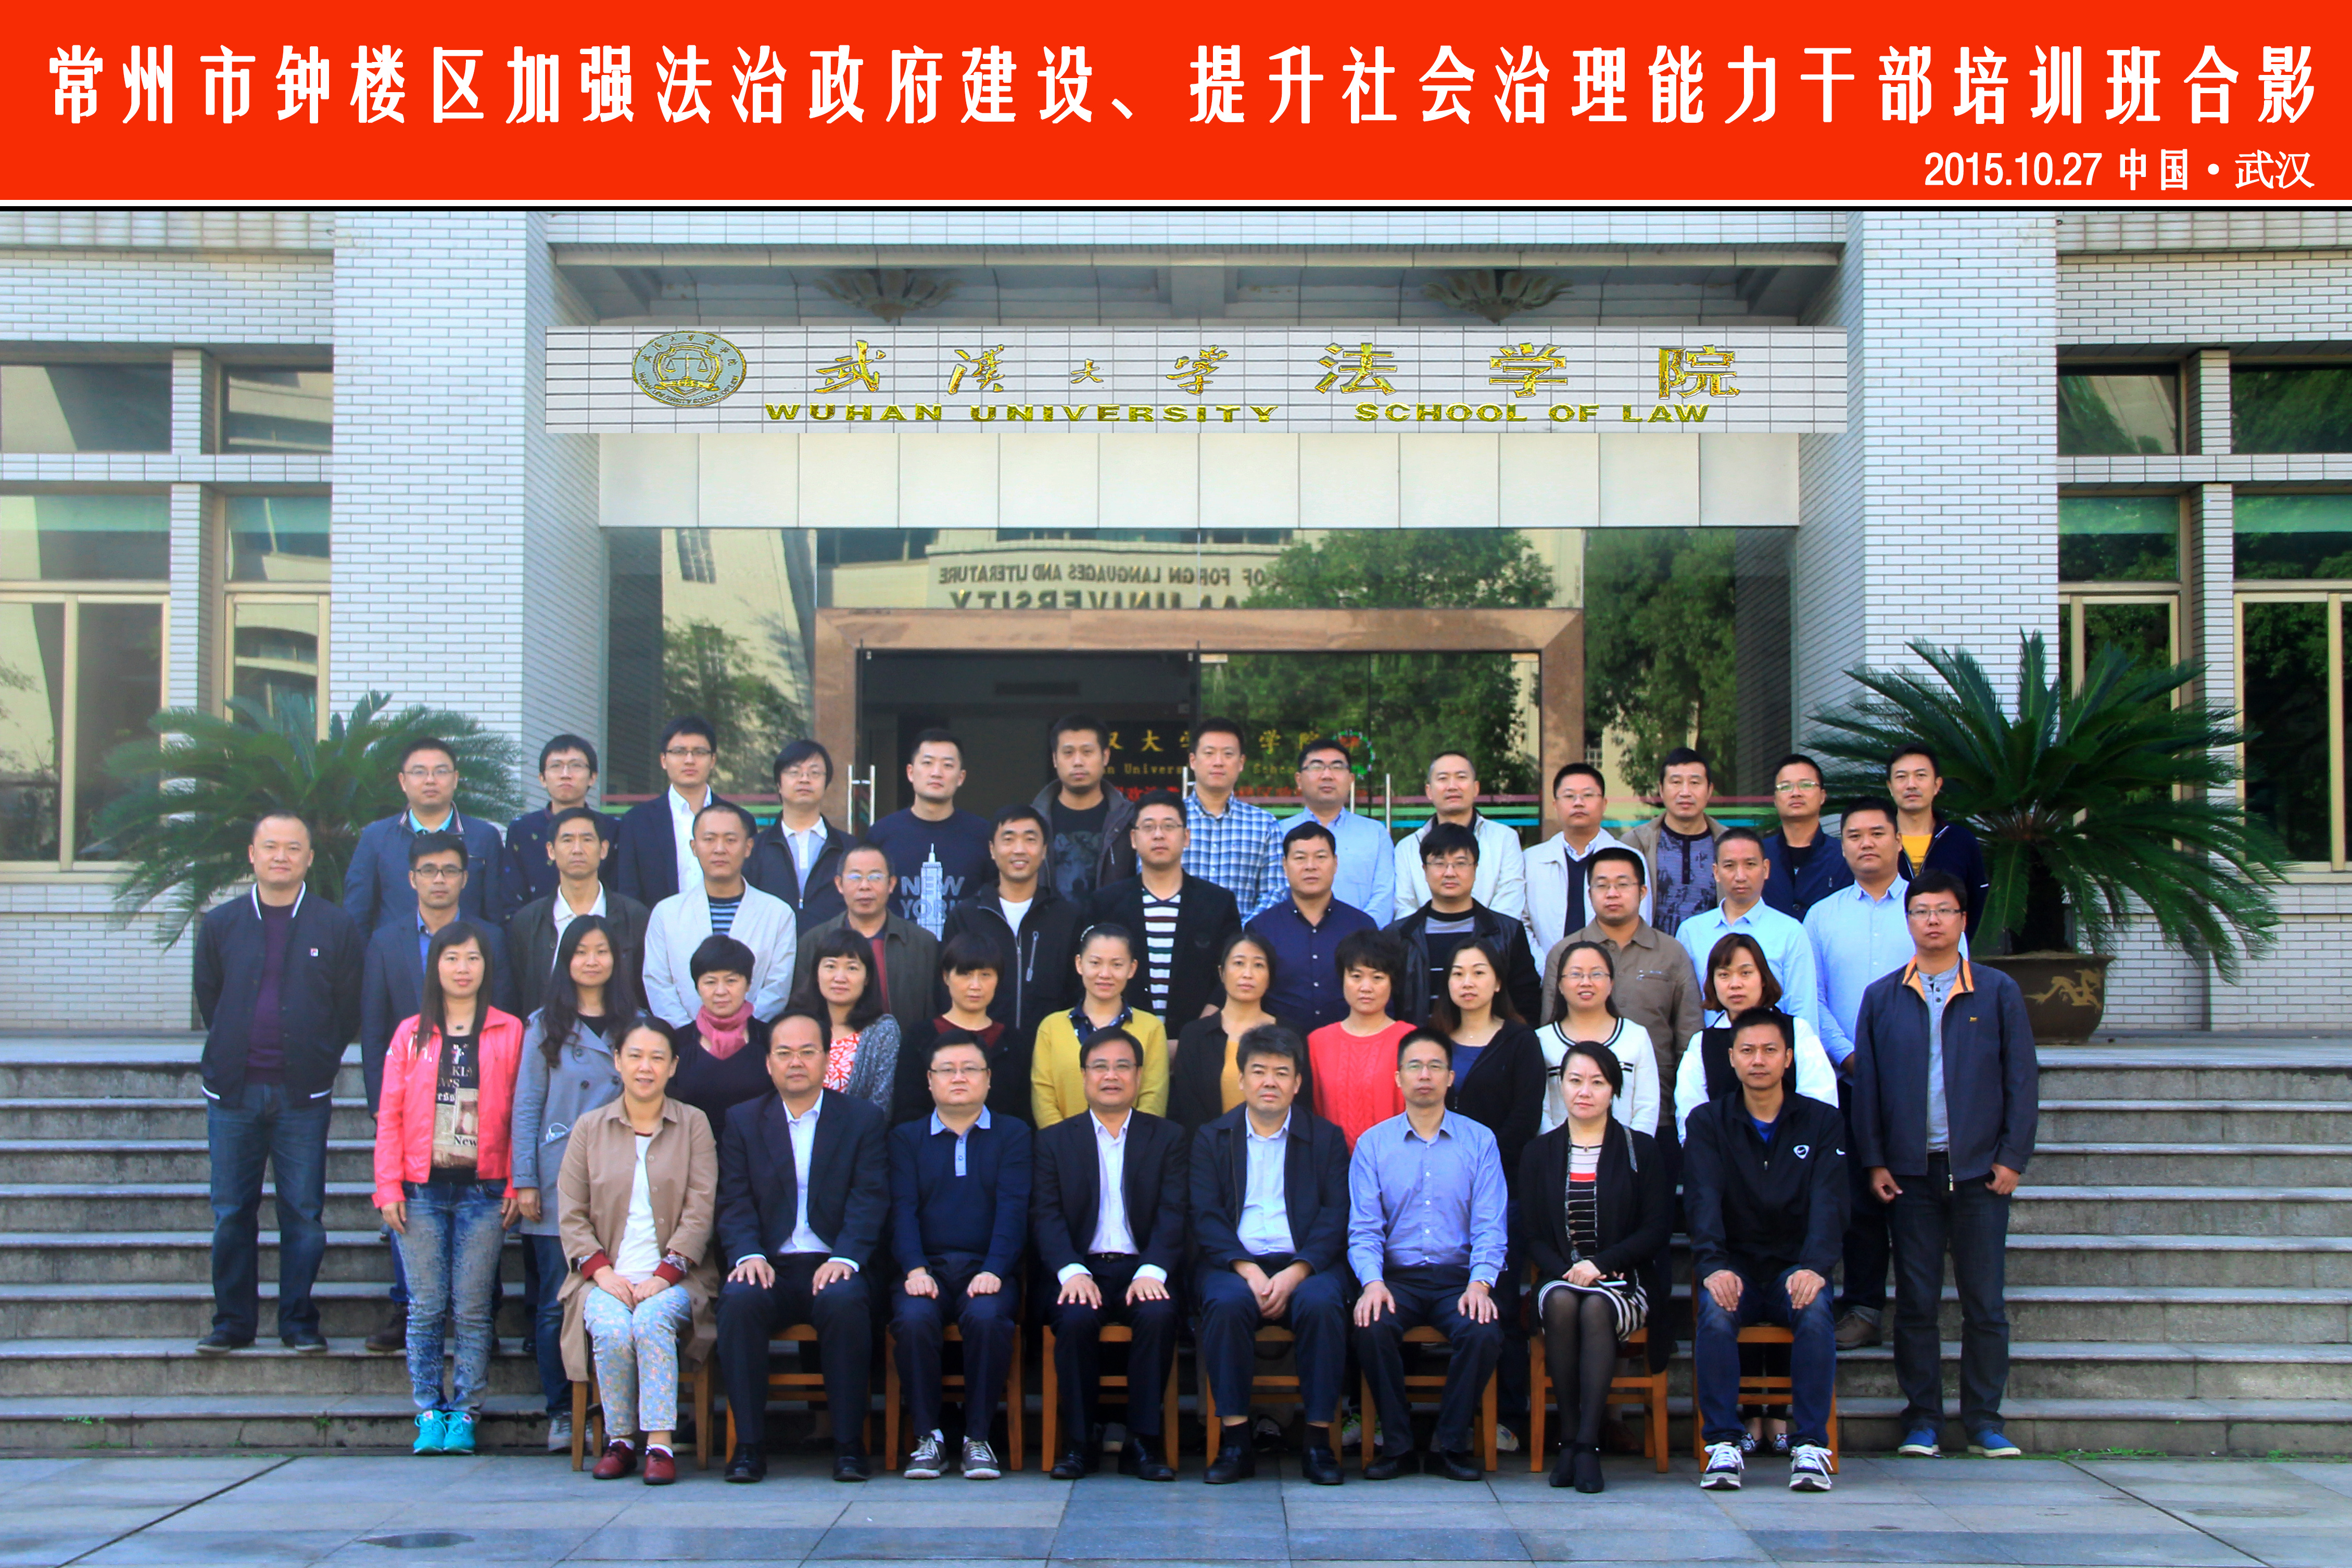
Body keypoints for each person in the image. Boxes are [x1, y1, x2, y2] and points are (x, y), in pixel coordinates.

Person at [1852, 868, 2038, 1462]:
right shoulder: (1882, 996)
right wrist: (1875, 1161)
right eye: (1921, 911)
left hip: (1982, 1173)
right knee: (1915, 1302)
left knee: (1985, 1304)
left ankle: (1984, 1421)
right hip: (1910, 1175)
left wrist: (2012, 1157)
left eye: (1944, 911)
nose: (1932, 921)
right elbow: (1868, 1089)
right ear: (1907, 920)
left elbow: (2022, 1081)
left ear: (1962, 920)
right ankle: (1923, 1420)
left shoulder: (1997, 991)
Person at [193, 811, 363, 1356]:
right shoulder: (221, 924)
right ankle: (232, 1322)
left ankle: (298, 1322)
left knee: (304, 1214)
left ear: (309, 858)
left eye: (293, 848)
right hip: (233, 1094)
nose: (281, 856)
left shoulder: (334, 925)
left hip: (302, 1096)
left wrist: (319, 1059)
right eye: (270, 846)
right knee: (232, 1213)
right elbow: (211, 999)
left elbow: (347, 1007)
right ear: (252, 854)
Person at [714, 1010, 891, 1484]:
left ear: (826, 1058)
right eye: (785, 1053)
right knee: (739, 1300)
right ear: (768, 1063)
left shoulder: (861, 1119)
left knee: (845, 1300)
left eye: (808, 1052)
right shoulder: (743, 1120)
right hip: (769, 1263)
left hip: (834, 1260)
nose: (796, 1062)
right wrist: (748, 1254)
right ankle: (749, 1447)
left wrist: (846, 1257)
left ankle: (849, 1446)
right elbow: (733, 1199)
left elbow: (870, 1197)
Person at [357, 832, 516, 1356]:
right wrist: (381, 1106)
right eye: (429, 870)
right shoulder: (386, 940)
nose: (440, 879)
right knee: (412, 1209)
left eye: (450, 870)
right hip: (414, 1099)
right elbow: (375, 1026)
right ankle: (406, 1308)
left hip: (480, 1102)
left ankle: (482, 1318)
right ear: (412, 879)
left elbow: (506, 1014)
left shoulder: (491, 938)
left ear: (465, 878)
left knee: (478, 1215)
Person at [373, 921, 524, 1457]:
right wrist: (387, 1186)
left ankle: (466, 1412)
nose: (463, 968)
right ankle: (428, 1410)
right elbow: (389, 1114)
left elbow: (521, 1112)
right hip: (420, 1190)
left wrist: (517, 1180)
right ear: (434, 966)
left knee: (474, 1308)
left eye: (473, 958)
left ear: (487, 967)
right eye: (452, 957)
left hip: (485, 1190)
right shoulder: (410, 1034)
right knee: (426, 1306)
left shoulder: (510, 1031)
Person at [1684, 1007, 1847, 1494]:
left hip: (1793, 1266)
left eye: (1770, 1050)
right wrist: (1713, 1266)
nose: (1759, 1060)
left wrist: (1815, 1267)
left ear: (1788, 1058)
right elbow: (1702, 1200)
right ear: (1732, 1059)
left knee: (1814, 1312)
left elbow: (1831, 1202)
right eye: (1748, 1051)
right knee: (1715, 1315)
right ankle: (1723, 1442)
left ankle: (1810, 1444)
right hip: (1734, 1266)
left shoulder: (1822, 1122)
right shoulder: (1708, 1122)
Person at [558, 1017, 719, 1486]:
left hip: (678, 1277)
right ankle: (621, 1440)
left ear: (673, 1066)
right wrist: (603, 1274)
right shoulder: (590, 1128)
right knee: (611, 1328)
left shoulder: (694, 1124)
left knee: (650, 1321)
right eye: (635, 1056)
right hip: (603, 1277)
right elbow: (571, 1211)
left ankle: (661, 1445)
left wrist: (664, 1275)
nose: (645, 1067)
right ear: (617, 1062)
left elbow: (701, 1208)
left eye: (656, 1058)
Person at [1191, 1025, 1351, 1486]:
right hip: (1234, 1263)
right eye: (1259, 1071)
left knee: (1322, 1304)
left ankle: (1318, 1442)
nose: (1269, 1082)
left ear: (1298, 1083)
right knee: (1225, 1303)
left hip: (1305, 1263)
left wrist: (1297, 1272)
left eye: (1282, 1073)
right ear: (1241, 1078)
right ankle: (1235, 1442)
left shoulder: (1326, 1138)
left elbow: (1336, 1215)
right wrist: (1247, 1269)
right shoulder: (1212, 1137)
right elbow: (1205, 1216)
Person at [1349, 1029, 1508, 1483]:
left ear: (1451, 1077)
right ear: (1398, 1077)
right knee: (1371, 1326)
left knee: (1482, 1331)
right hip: (1396, 1278)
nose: (1425, 1075)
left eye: (1435, 1066)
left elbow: (1490, 1225)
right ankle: (1398, 1446)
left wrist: (1481, 1283)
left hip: (1458, 1278)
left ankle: (1450, 1445)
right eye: (1415, 1066)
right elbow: (1364, 1228)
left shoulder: (1480, 1141)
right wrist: (1372, 1283)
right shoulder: (1373, 1144)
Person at [1033, 1027, 1187, 1481]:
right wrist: (1071, 1271)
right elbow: (1045, 1215)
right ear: (1083, 1076)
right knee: (1075, 1318)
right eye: (1100, 1067)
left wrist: (1153, 1270)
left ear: (1140, 1076)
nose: (1111, 1076)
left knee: (1158, 1315)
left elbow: (1175, 1211)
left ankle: (1143, 1442)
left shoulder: (1169, 1137)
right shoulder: (1054, 1141)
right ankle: (1079, 1443)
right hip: (1083, 1269)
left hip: (1144, 1269)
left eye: (1123, 1066)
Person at [1520, 1041, 1674, 1492]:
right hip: (1561, 1277)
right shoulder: (1539, 1153)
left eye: (1597, 1082)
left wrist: (1601, 1265)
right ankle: (1570, 1438)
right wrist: (1570, 1271)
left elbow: (1656, 1229)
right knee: (1564, 1302)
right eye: (1575, 1080)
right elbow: (1532, 1234)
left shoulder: (1641, 1150)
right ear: (1560, 1086)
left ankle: (1587, 1444)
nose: (1584, 1091)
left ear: (1614, 1090)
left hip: (1626, 1280)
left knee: (1594, 1308)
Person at [510, 914, 635, 1450]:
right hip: (558, 1173)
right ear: (565, 960)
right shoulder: (545, 1025)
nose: (591, 961)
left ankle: (618, 1412)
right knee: (553, 1305)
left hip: (622, 1178)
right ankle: (563, 1411)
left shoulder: (635, 1022)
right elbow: (526, 1105)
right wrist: (524, 1179)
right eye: (581, 951)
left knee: (617, 1296)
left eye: (601, 950)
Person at [890, 1035, 1033, 1481]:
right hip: (925, 1269)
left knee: (988, 1318)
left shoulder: (1013, 1134)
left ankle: (978, 1437)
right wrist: (914, 1268)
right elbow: (901, 1210)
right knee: (913, 1319)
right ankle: (928, 1437)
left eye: (970, 1069)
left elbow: (1013, 1209)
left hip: (987, 1269)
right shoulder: (906, 1138)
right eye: (947, 1070)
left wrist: (994, 1269)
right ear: (929, 1081)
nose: (958, 1078)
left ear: (988, 1080)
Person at [1804, 800, 1914, 1350]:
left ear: (1899, 840)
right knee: (1856, 1198)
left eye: (1877, 833)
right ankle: (1864, 1306)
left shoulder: (1926, 910)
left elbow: (1952, 989)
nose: (1866, 843)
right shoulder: (1822, 917)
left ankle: (1916, 1314)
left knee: (1912, 1198)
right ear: (1842, 846)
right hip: (1844, 1082)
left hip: (1915, 1085)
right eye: (1854, 835)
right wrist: (1849, 1058)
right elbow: (1813, 999)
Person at [1541, 847, 1701, 1104]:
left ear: (1643, 891)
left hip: (1656, 1102)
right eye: (1602, 885)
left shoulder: (1671, 953)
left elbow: (1689, 1036)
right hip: (1576, 1104)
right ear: (1589, 893)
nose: (1612, 894)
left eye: (1623, 885)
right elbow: (1549, 1029)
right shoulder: (1565, 953)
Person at [938, 804, 1082, 1060]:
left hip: (1050, 1058)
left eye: (1030, 839)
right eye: (1009, 839)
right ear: (992, 850)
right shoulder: (965, 916)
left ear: (1044, 851)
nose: (1019, 849)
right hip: (978, 1059)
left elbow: (1078, 994)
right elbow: (946, 993)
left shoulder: (1068, 918)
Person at [1088, 789, 1242, 1028]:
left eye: (1169, 826)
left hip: (1198, 1039)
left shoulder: (1218, 903)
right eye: (1148, 827)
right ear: (1133, 839)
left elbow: (1231, 973)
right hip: (1122, 1038)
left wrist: (1197, 1034)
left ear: (1186, 836)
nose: (1159, 835)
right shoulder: (1106, 904)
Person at [1673, 933, 1839, 1143]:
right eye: (1724, 975)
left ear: (1763, 979)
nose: (1735, 984)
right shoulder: (1702, 1043)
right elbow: (1691, 1114)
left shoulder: (1796, 1030)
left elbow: (1820, 1100)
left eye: (1746, 973)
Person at [642, 803, 795, 1027]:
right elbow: (659, 984)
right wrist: (691, 1035)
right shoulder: (666, 913)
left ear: (748, 847)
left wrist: (740, 1033)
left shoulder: (778, 914)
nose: (720, 849)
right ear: (694, 847)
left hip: (753, 1039)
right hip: (683, 1041)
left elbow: (777, 988)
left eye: (731, 840)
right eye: (709, 839)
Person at [344, 737, 507, 939]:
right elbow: (357, 913)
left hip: (465, 954)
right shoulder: (376, 837)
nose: (430, 780)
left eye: (441, 772)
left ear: (455, 779)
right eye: (419, 772)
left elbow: (496, 913)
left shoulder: (484, 837)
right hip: (397, 955)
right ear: (403, 781)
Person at [1386, 822, 1540, 1026]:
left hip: (1490, 1044)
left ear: (1475, 868)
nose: (1450, 873)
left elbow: (1526, 1002)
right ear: (1424, 870)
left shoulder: (1508, 932)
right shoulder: (1397, 937)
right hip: (1417, 1043)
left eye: (1460, 863)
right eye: (1439, 863)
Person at [1675, 828, 1824, 1039]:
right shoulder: (1691, 932)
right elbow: (1686, 1009)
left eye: (1750, 865)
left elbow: (1803, 1010)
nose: (1740, 876)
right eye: (1730, 866)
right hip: (1710, 1048)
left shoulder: (1790, 931)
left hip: (1770, 1050)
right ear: (1716, 872)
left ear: (1766, 869)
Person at [506, 806, 649, 1020]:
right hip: (550, 1034)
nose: (577, 849)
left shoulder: (635, 917)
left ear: (604, 849)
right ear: (551, 850)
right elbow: (523, 991)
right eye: (567, 840)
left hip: (622, 1033)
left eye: (587, 840)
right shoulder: (528, 921)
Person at [793, 842, 939, 1045]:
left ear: (891, 884)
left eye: (875, 877)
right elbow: (801, 1010)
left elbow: (934, 1014)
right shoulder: (814, 942)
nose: (864, 886)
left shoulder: (922, 944)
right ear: (839, 884)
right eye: (855, 877)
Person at [1247, 819, 1378, 1036]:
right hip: (1280, 1047)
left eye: (1320, 857)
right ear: (1285, 865)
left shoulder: (1361, 926)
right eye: (1300, 858)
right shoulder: (1261, 928)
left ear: (1335, 863)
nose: (1311, 866)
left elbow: (1381, 993)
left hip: (1349, 1043)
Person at [1032, 925, 1170, 1128]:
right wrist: (1062, 1142)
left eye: (1117, 965)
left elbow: (1154, 1097)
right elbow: (1043, 1096)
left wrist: (1129, 1141)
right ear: (1079, 964)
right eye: (1095, 963)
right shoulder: (1052, 1027)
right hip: (1063, 1145)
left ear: (1132, 969)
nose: (1105, 974)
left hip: (1134, 1144)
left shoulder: (1151, 1028)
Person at [894, 934, 1030, 1127]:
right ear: (946, 977)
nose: (975, 986)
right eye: (965, 974)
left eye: (985, 975)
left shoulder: (1013, 1041)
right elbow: (907, 1112)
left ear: (998, 980)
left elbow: (1023, 1114)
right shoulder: (920, 1037)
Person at [1170, 932, 1298, 1132]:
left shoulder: (1290, 1034)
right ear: (1222, 972)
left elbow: (1300, 1105)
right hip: (1208, 1147)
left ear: (1270, 977)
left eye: (1258, 965)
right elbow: (1188, 1109)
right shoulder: (1195, 1035)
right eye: (1239, 963)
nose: (1248, 974)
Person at [866, 729, 994, 928]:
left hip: (965, 947)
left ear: (961, 777)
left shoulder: (983, 835)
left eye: (947, 765)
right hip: (897, 946)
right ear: (910, 772)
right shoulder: (882, 834)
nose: (936, 773)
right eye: (927, 763)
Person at [1536, 941, 1659, 1137]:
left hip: (1625, 1150)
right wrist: (1557, 1148)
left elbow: (1647, 1106)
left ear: (1611, 984)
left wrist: (1632, 1147)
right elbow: (1539, 1110)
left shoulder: (1636, 1036)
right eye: (1576, 974)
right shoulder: (1541, 1040)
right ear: (1560, 985)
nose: (1586, 982)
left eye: (1597, 974)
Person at [1523, 763, 1646, 955]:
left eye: (1588, 795)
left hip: (1615, 970)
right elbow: (1522, 923)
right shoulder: (1531, 860)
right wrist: (1545, 966)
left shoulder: (1630, 859)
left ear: (1604, 804)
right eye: (1569, 796)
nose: (1578, 803)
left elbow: (1640, 923)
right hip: (1545, 969)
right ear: (1555, 805)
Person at [1392, 750, 1528, 922]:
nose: (1452, 786)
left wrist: (1478, 938)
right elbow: (1405, 909)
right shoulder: (1408, 848)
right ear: (1429, 791)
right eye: (1443, 778)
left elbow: (1509, 904)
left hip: (1492, 938)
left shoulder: (1505, 839)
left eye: (1461, 777)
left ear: (1476, 788)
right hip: (1426, 939)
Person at [1306, 930, 1412, 1149]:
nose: (1366, 987)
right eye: (1356, 976)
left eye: (1377, 978)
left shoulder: (1410, 1040)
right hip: (1331, 1164)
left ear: (1392, 982)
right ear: (1342, 979)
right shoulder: (1317, 1042)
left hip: (1396, 1162)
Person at [1272, 737, 1395, 922]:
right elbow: (1272, 893)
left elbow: (1384, 896)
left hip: (1361, 938)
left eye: (1337, 767)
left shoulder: (1375, 833)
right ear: (1299, 780)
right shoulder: (1278, 833)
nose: (1327, 775)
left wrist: (1360, 934)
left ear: (1351, 779)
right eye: (1317, 767)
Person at [665, 936, 776, 1135]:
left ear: (748, 984)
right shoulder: (677, 1043)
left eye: (731, 981)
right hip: (693, 1148)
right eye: (710, 982)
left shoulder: (771, 1040)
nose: (721, 991)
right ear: (697, 986)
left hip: (758, 1148)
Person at [788, 926, 904, 1117]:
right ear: (816, 973)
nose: (840, 978)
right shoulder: (796, 1025)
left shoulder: (882, 1031)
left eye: (852, 968)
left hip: (858, 1133)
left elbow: (881, 1104)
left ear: (867, 978)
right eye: (831, 966)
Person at [614, 715, 727, 908]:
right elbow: (629, 894)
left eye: (699, 752)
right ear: (664, 760)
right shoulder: (637, 822)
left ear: (713, 760)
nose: (689, 760)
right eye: (679, 752)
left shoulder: (736, 819)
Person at [747, 739, 858, 933]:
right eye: (794, 772)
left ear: (826, 784)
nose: (805, 779)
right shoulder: (754, 849)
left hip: (834, 949)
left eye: (815, 773)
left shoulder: (850, 849)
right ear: (779, 784)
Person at [502, 734, 616, 919]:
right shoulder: (522, 829)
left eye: (576, 766)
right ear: (542, 778)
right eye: (556, 766)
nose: (565, 775)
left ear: (593, 777)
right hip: (534, 931)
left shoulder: (613, 829)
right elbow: (511, 899)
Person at [1618, 747, 1726, 938]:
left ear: (1710, 790)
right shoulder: (1635, 844)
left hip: (1715, 952)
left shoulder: (1728, 844)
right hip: (1651, 952)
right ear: (1661, 789)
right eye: (1676, 782)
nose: (1685, 792)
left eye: (1695, 783)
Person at [1183, 718, 1284, 920]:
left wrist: (1241, 932)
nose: (1218, 762)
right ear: (1193, 761)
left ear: (1241, 763)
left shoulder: (1264, 825)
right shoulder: (1168, 822)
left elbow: (1275, 892)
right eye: (1209, 753)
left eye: (1228, 754)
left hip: (1243, 937)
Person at [1888, 745, 1992, 938]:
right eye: (1901, 777)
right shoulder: (1880, 843)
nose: (1911, 785)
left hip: (1949, 950)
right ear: (1890, 787)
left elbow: (1977, 902)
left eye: (1921, 776)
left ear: (1937, 785)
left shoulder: (1961, 841)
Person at [1035, 713, 1137, 904]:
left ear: (1105, 756)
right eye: (1068, 753)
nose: (1078, 762)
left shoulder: (1130, 820)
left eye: (1087, 752)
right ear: (1055, 759)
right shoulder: (1034, 821)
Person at [1760, 754, 1852, 921]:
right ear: (1775, 800)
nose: (1796, 793)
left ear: (1822, 796)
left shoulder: (1845, 856)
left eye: (1806, 785)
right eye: (1785, 787)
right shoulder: (1758, 855)